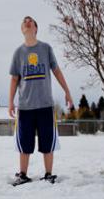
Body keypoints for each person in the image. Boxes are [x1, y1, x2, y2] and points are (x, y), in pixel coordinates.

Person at [8, 16, 74, 185]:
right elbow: (14, 79)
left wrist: (67, 91)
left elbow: (57, 71)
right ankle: (23, 174)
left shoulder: (45, 48)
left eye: (30, 20)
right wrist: (10, 102)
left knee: (47, 142)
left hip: (45, 105)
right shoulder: (18, 52)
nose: (27, 22)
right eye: (24, 21)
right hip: (25, 106)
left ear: (36, 28)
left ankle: (48, 174)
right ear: (22, 29)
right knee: (25, 143)